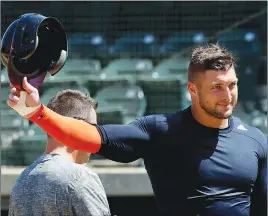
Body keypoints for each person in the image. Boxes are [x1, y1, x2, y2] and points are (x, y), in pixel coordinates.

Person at [8, 44, 267, 216]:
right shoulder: (161, 130)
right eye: (216, 87)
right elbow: (91, 137)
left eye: (232, 85)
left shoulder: (255, 140)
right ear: (192, 90)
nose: (227, 95)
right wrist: (37, 112)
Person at [8, 90, 111, 216]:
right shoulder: (79, 177)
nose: (97, 136)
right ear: (80, 126)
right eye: (94, 129)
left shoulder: (22, 181)